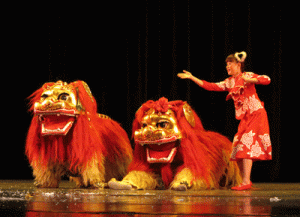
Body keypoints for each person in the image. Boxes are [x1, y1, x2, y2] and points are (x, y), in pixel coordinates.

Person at [177, 51, 272, 190]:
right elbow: (210, 86)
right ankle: (243, 181)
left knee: (246, 144)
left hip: (257, 114)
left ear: (238, 64)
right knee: (237, 147)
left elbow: (267, 79)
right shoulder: (229, 82)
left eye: (230, 64)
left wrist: (252, 80)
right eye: (226, 65)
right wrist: (192, 77)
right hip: (246, 118)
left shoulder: (247, 75)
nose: (227, 67)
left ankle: (246, 181)